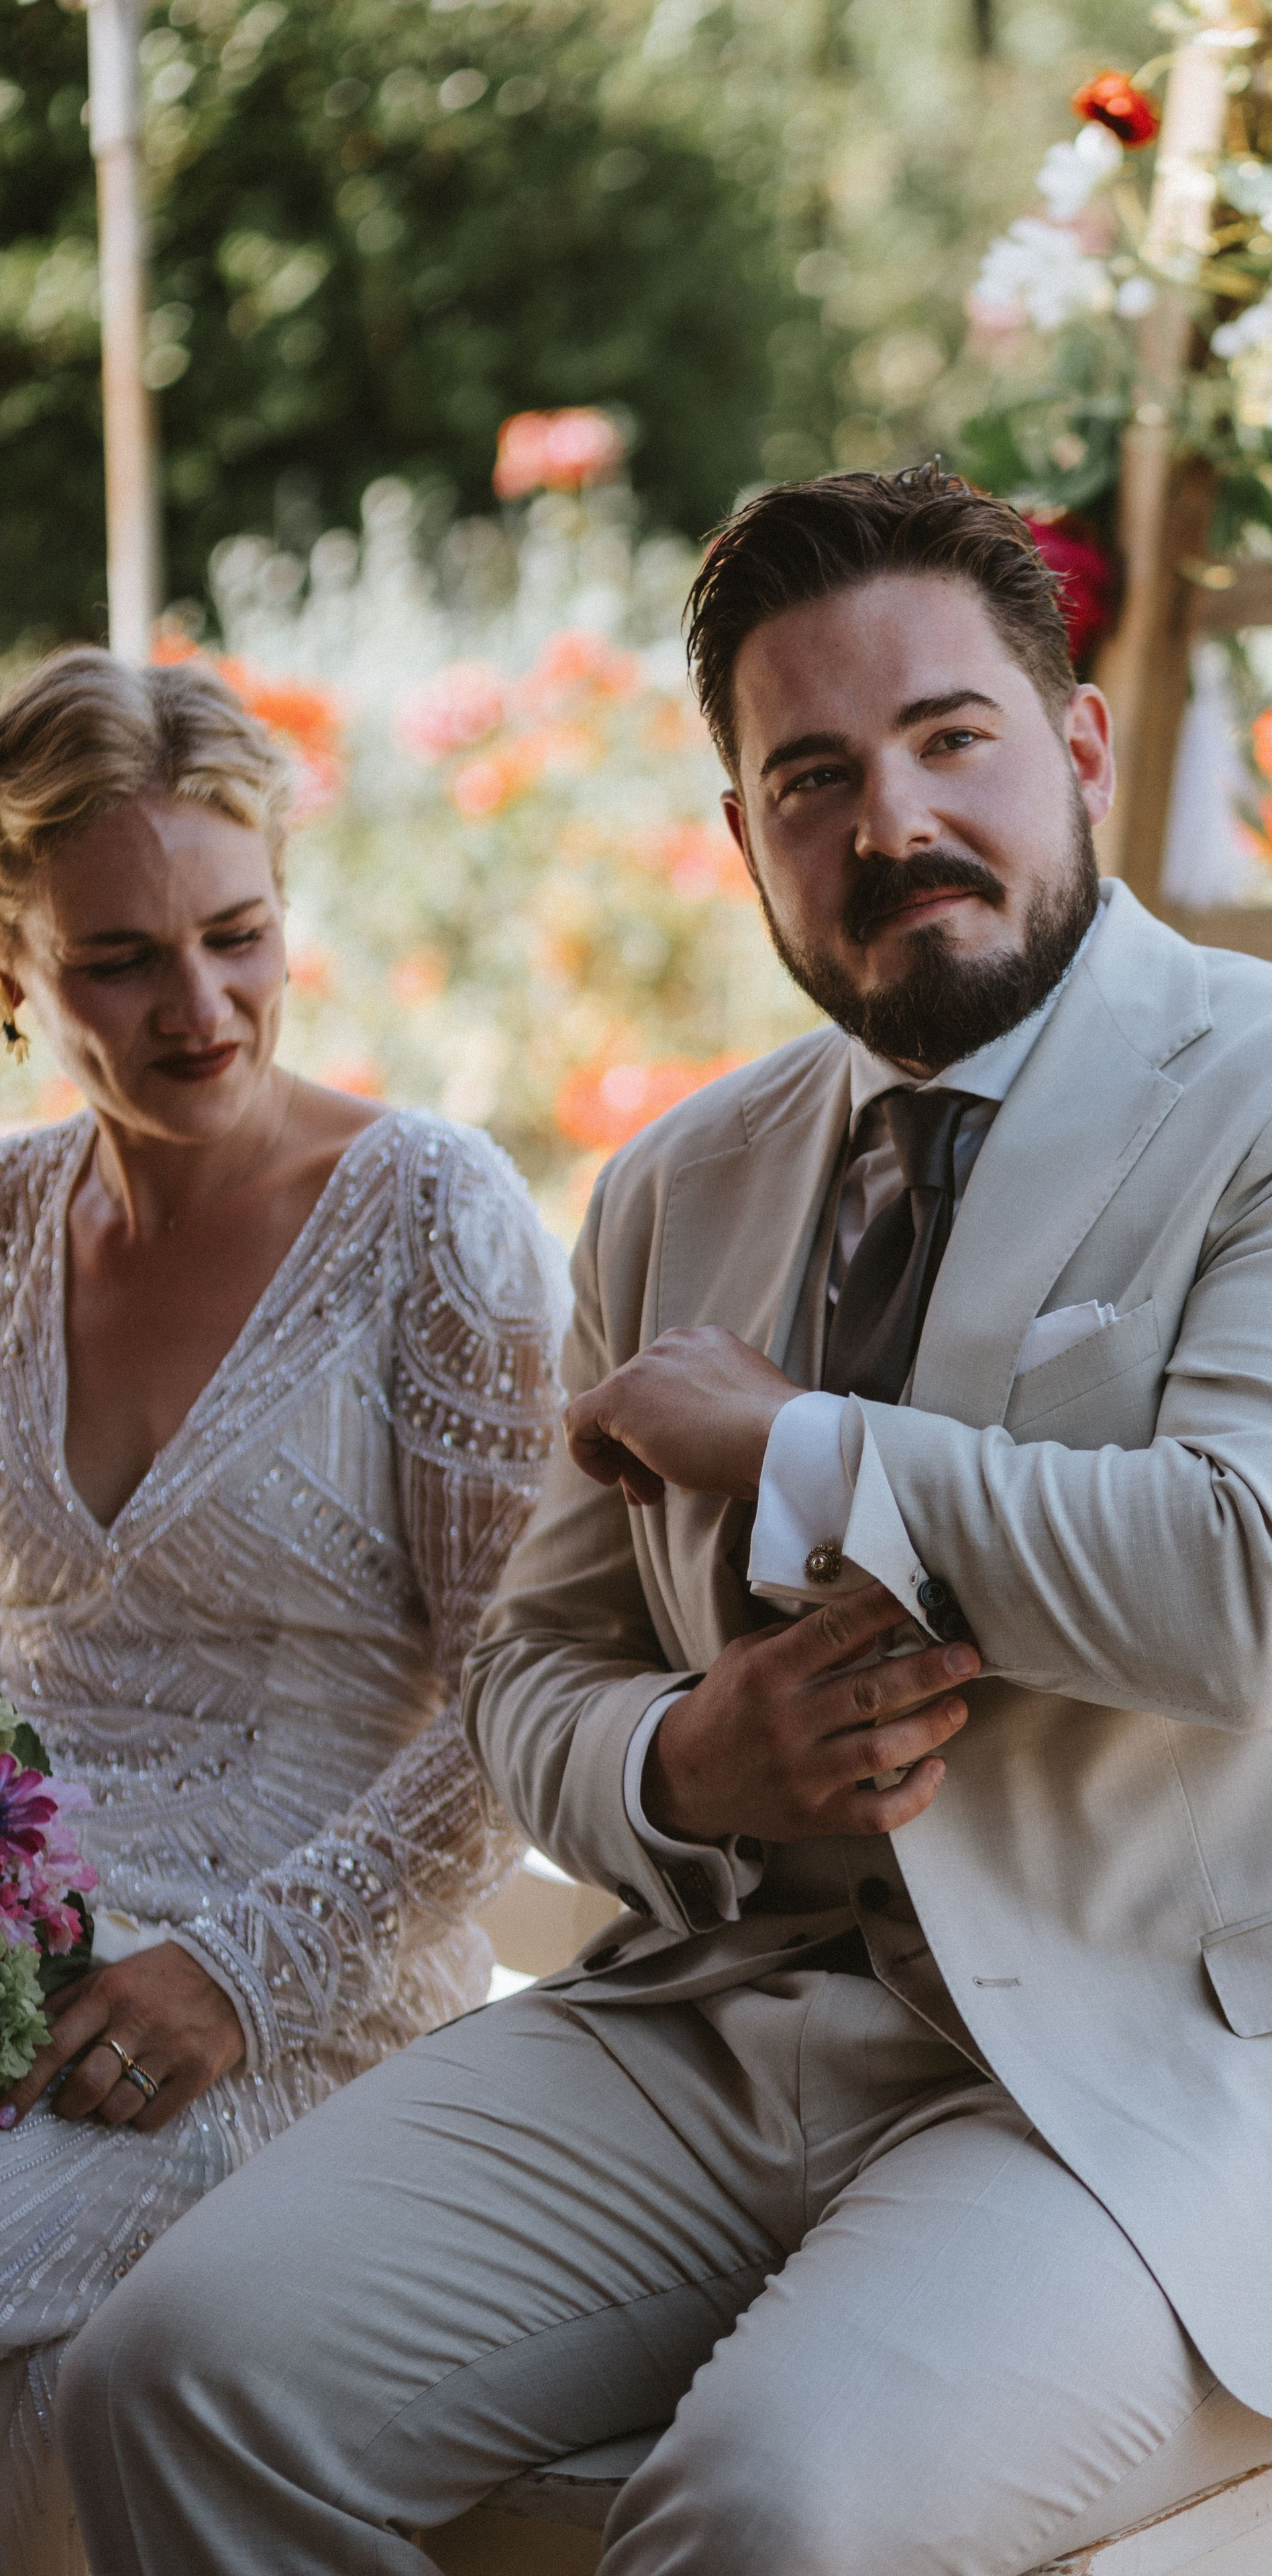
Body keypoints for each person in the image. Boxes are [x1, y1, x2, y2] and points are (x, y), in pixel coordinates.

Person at [60, 469, 1272, 2576]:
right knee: (175, 2382)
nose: (892, 824)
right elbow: (526, 1665)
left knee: (769, 2516)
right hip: (717, 2026)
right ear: (748, 832)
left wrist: (797, 1449)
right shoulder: (682, 1182)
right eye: (812, 778)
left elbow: (1257, 1583)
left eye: (951, 739)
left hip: (1158, 2091)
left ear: (1076, 746)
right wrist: (686, 1758)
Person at [0, 649, 566, 2574]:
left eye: (237, 935)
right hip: (33, 1961)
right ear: (15, 963)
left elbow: (528, 1700)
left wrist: (236, 1976)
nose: (200, 1008)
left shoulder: (430, 1217)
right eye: (118, 962)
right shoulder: (4, 1224)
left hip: (302, 1999)